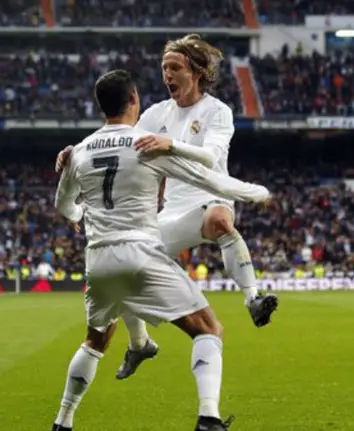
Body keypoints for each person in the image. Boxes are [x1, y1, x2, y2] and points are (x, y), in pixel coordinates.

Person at [51, 69, 271, 431]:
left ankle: (63, 422)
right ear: (134, 99)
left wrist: (80, 216)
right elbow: (211, 179)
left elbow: (64, 206)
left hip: (98, 260)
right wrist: (258, 194)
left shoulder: (78, 151)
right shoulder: (146, 144)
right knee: (207, 329)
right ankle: (208, 418)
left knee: (95, 340)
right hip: (141, 254)